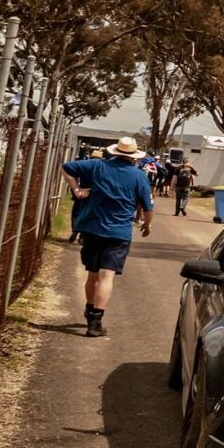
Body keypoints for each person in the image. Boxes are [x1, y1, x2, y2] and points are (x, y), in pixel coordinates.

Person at [61, 137, 154, 337]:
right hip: (119, 233)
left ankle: (89, 307)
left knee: (92, 274)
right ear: (134, 156)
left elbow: (67, 167)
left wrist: (76, 189)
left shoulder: (97, 166)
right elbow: (148, 207)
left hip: (92, 228)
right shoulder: (139, 177)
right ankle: (95, 321)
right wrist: (147, 225)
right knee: (107, 276)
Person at [68, 149, 104, 243]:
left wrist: (75, 188)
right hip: (93, 193)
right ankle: (83, 236)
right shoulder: (102, 168)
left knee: (76, 211)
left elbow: (73, 174)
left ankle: (75, 230)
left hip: (81, 190)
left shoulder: (84, 165)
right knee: (89, 214)